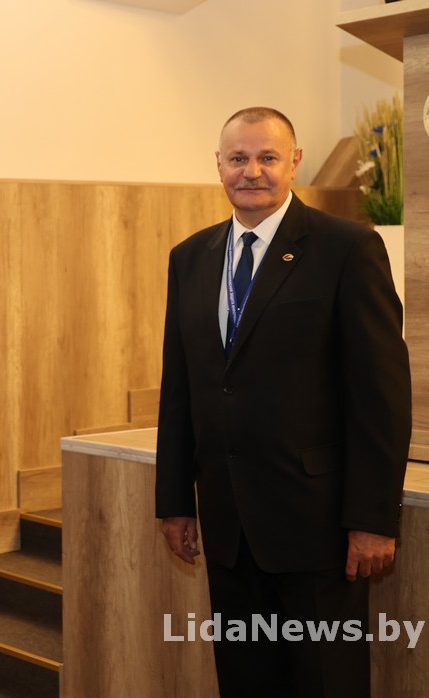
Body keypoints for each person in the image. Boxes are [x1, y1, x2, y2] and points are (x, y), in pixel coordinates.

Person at [155, 107, 411, 697]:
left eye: (267, 157)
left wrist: (373, 519)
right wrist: (175, 501)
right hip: (228, 527)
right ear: (218, 165)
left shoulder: (347, 247)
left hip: (317, 529)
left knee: (326, 684)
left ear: (293, 162)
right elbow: (181, 386)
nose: (252, 171)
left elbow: (381, 395)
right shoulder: (189, 257)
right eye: (238, 158)